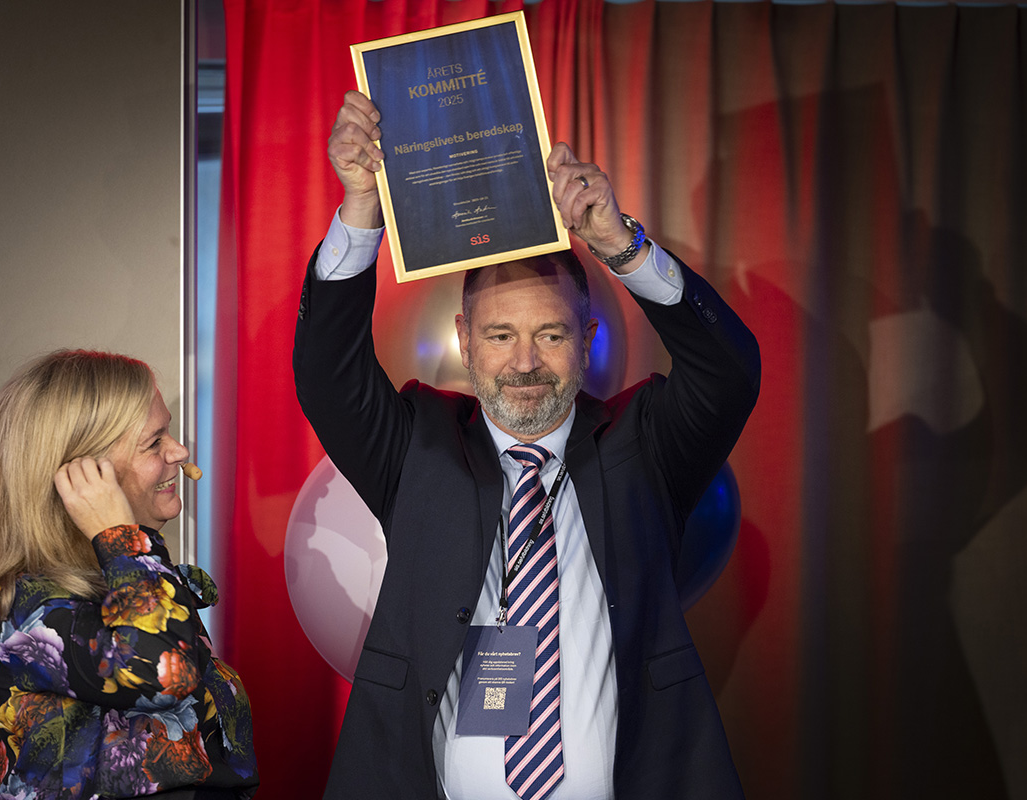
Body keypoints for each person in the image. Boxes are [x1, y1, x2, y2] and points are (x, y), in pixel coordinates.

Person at [294, 91, 760, 799]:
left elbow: (730, 373)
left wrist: (621, 246)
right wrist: (362, 210)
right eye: (500, 335)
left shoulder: (645, 446)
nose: (524, 363)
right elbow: (328, 376)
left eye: (550, 334)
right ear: (464, 340)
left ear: (588, 339)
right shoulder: (417, 446)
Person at [0, 350, 258, 799]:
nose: (179, 451)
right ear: (80, 475)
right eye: (154, 442)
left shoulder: (125, 576)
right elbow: (162, 672)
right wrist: (120, 536)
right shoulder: (25, 605)